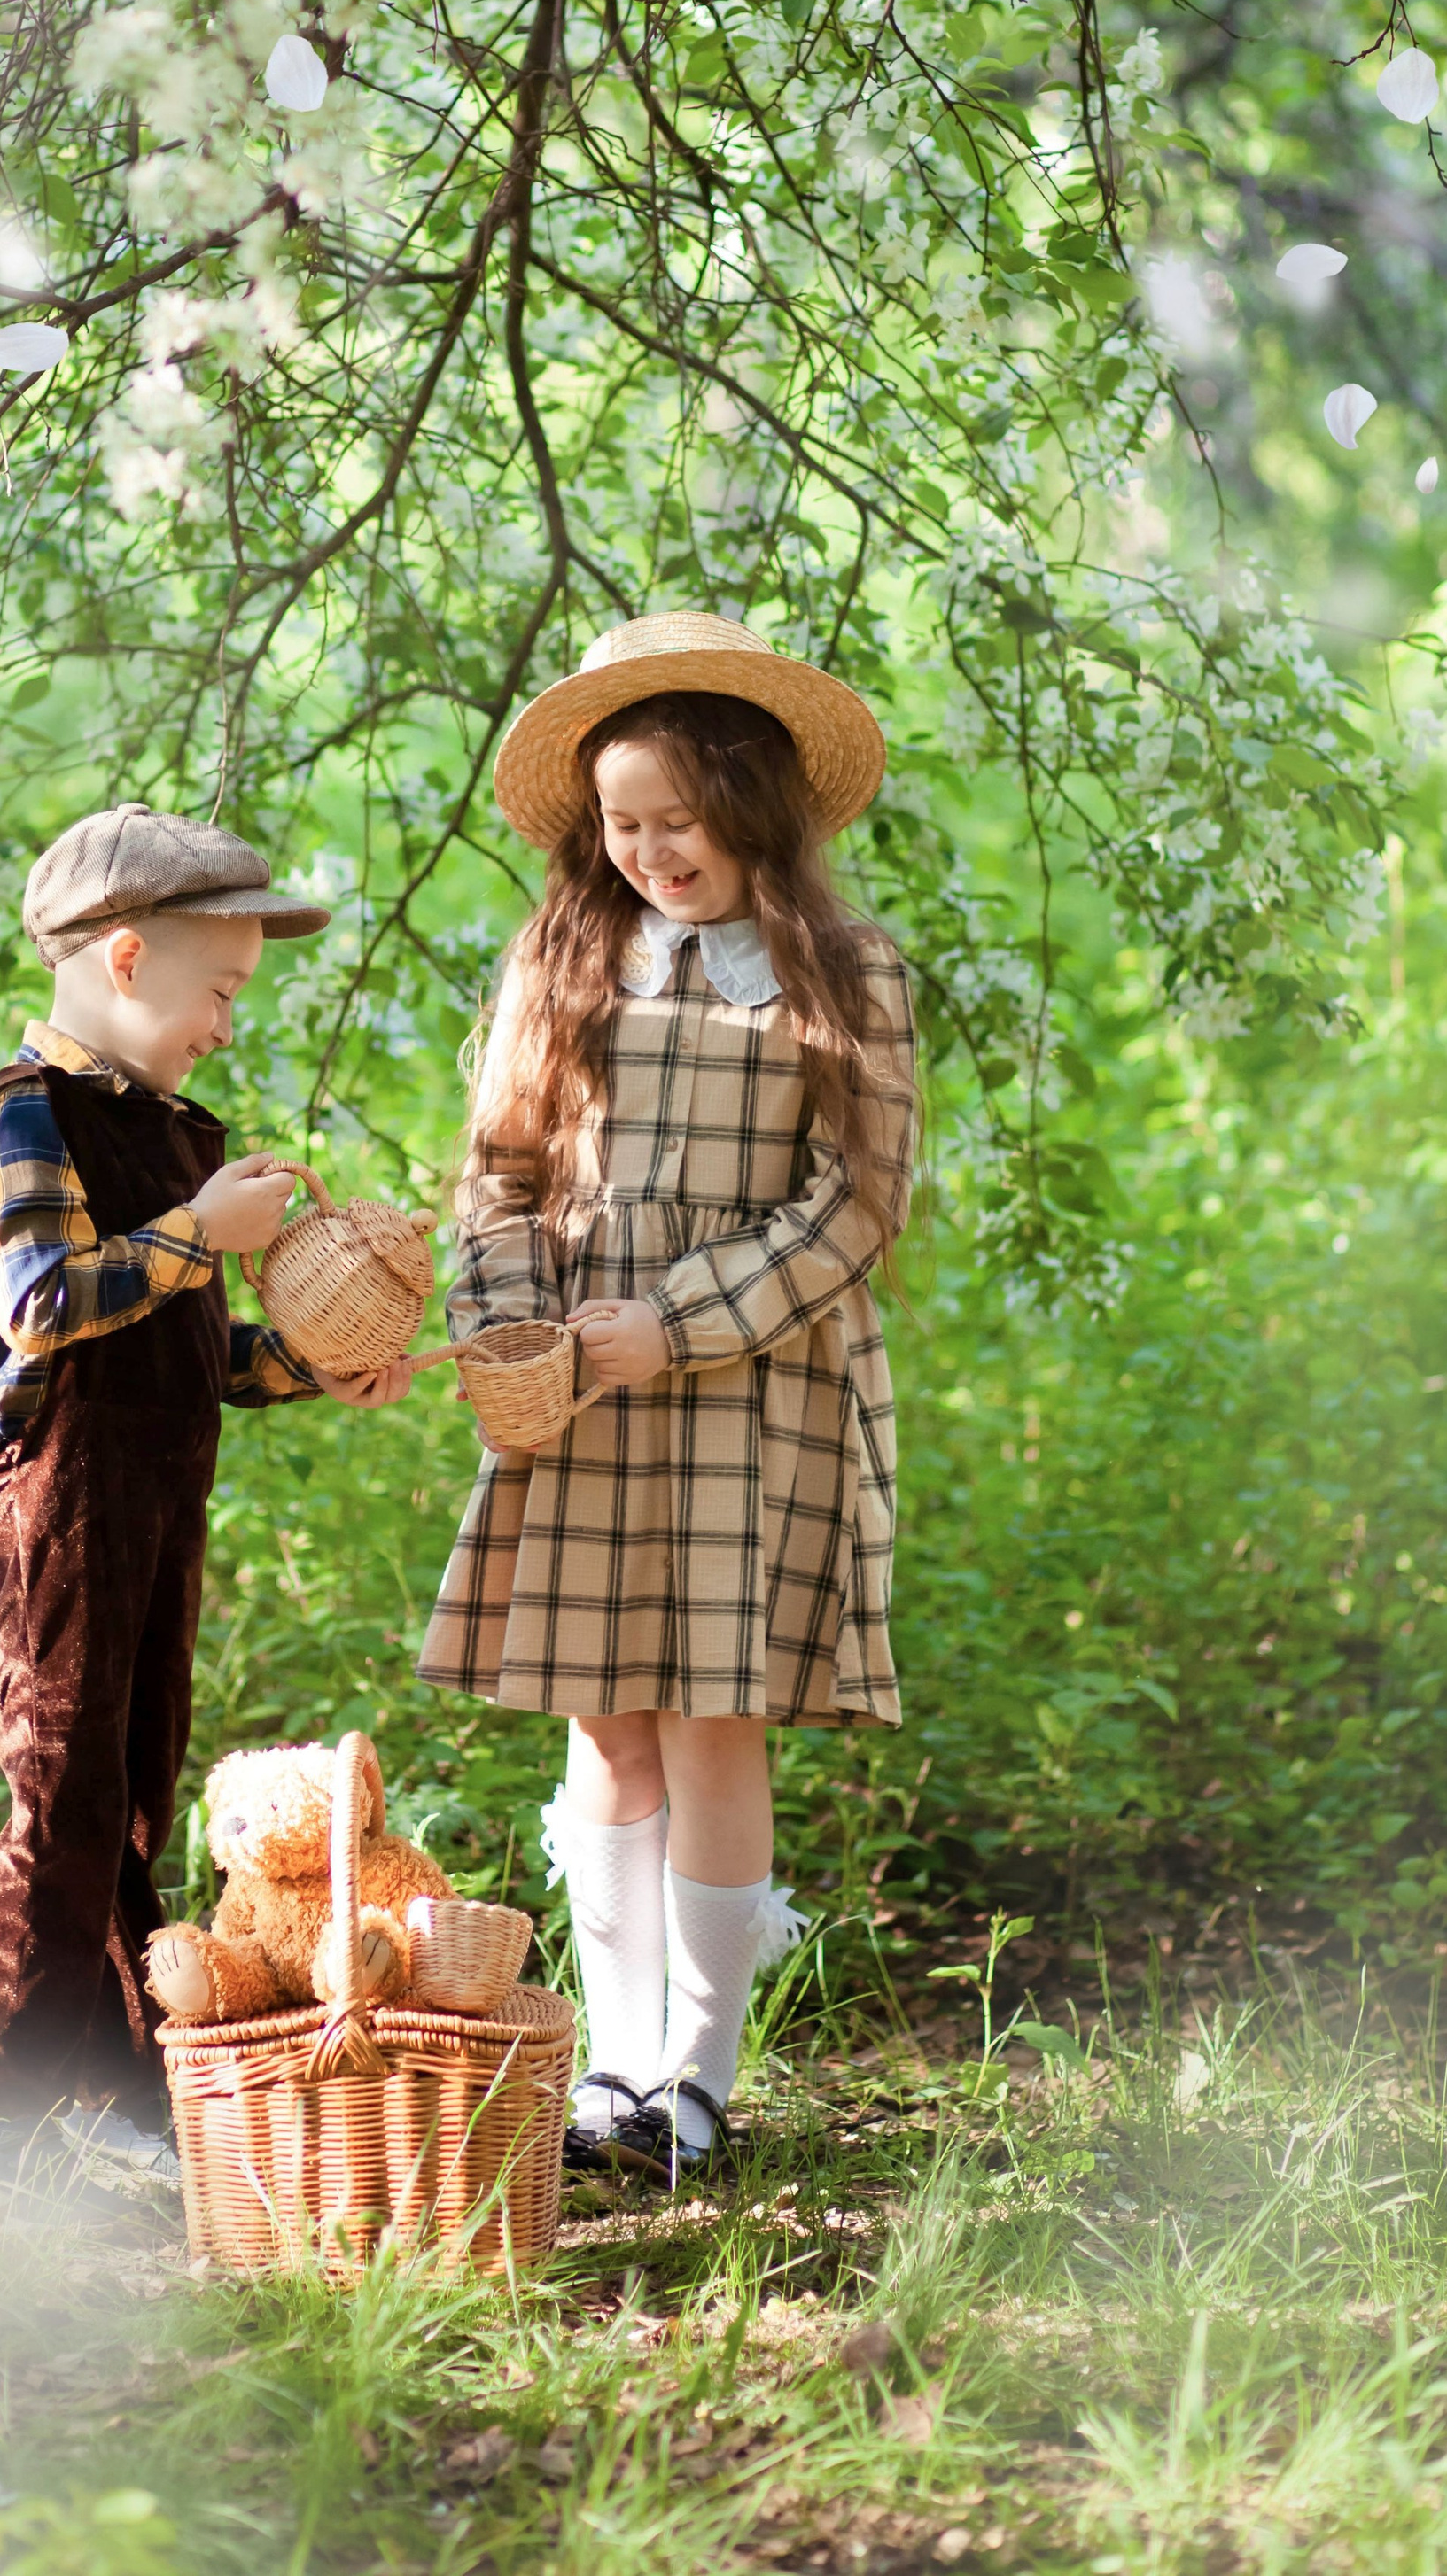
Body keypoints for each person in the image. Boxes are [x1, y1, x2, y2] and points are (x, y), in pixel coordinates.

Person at [418, 614, 918, 2181]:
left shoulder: (846, 975)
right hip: (578, 1392)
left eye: (675, 824)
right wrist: (515, 1335)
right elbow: (497, 1177)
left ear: (753, 804)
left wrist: (678, 1325)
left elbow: (856, 1210)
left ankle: (699, 2082)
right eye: (620, 827)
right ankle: (613, 2076)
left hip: (749, 1392)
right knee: (608, 1726)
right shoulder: (560, 959)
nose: (646, 854)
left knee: (713, 1723)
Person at [0, 803, 411, 2223]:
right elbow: (43, 1306)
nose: (227, 1027)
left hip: (154, 1485)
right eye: (220, 994)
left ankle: (119, 2092)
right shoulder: (32, 1114)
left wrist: (315, 1364)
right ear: (126, 959)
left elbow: (186, 1344)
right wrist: (205, 1232)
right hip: (53, 1493)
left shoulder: (180, 1134)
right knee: (61, 1786)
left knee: (134, 1789)